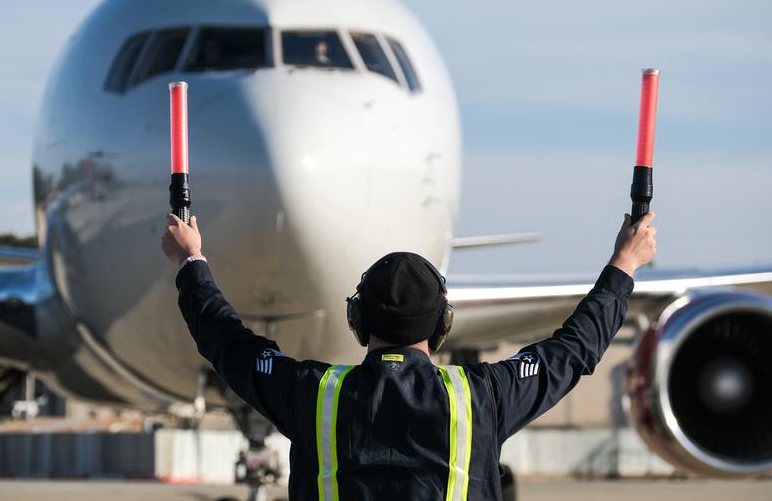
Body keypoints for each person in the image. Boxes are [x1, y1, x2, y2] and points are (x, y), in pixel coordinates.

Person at [160, 212, 657, 500]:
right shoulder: (480, 397)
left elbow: (227, 341)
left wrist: (191, 262)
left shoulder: (316, 396)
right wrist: (623, 265)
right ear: (444, 326)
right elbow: (574, 350)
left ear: (358, 323)